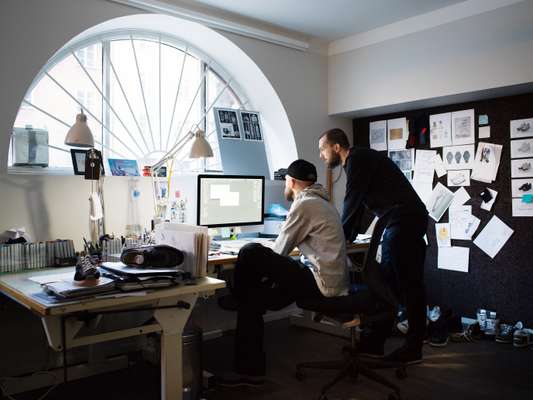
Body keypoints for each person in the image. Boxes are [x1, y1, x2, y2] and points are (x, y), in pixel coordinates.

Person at [217, 159, 349, 386]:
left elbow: (281, 250)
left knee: (250, 252)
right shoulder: (323, 201)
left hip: (320, 283)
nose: (285, 187)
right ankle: (250, 369)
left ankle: (239, 298)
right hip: (329, 280)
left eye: (286, 182)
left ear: (293, 182)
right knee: (253, 301)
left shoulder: (305, 204)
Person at [318, 128, 428, 364]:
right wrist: (347, 234)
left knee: (408, 286)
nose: (321, 155)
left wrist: (341, 236)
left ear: (336, 147)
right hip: (402, 220)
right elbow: (359, 205)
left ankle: (413, 348)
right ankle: (375, 342)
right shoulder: (360, 161)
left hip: (404, 221)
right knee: (386, 284)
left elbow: (352, 199)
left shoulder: (357, 158)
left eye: (322, 149)